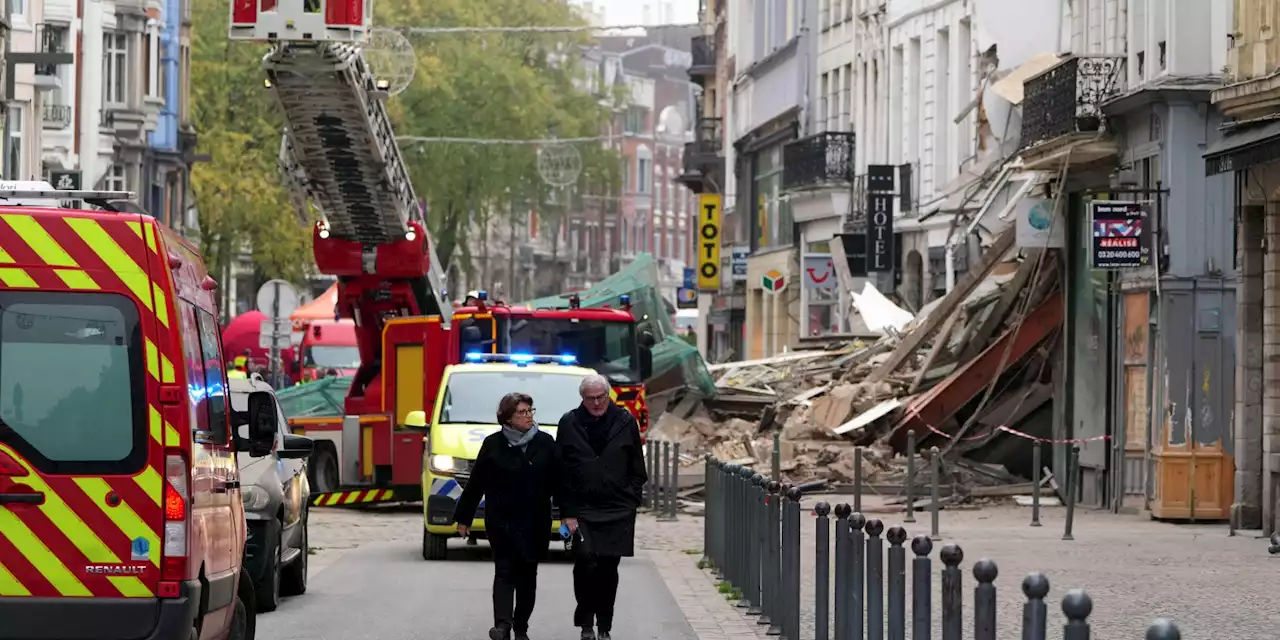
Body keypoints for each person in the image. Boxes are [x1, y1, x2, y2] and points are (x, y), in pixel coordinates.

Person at [454, 393, 577, 640]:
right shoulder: (493, 444)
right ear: (507, 418)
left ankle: (521, 626)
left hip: (535, 522)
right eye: (522, 412)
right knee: (504, 571)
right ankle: (502, 625)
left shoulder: (545, 443)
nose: (528, 415)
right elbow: (476, 482)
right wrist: (464, 517)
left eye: (530, 410)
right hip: (502, 520)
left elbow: (561, 483)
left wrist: (568, 514)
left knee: (527, 575)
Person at [555, 375, 647, 640]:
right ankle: (585, 621)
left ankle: (604, 624)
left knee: (608, 567)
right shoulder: (569, 422)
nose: (596, 403)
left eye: (601, 397)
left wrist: (631, 499)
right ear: (582, 398)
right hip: (581, 509)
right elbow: (561, 471)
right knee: (585, 562)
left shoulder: (625, 421)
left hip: (618, 508)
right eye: (590, 398)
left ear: (608, 395)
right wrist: (567, 512)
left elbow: (636, 467)